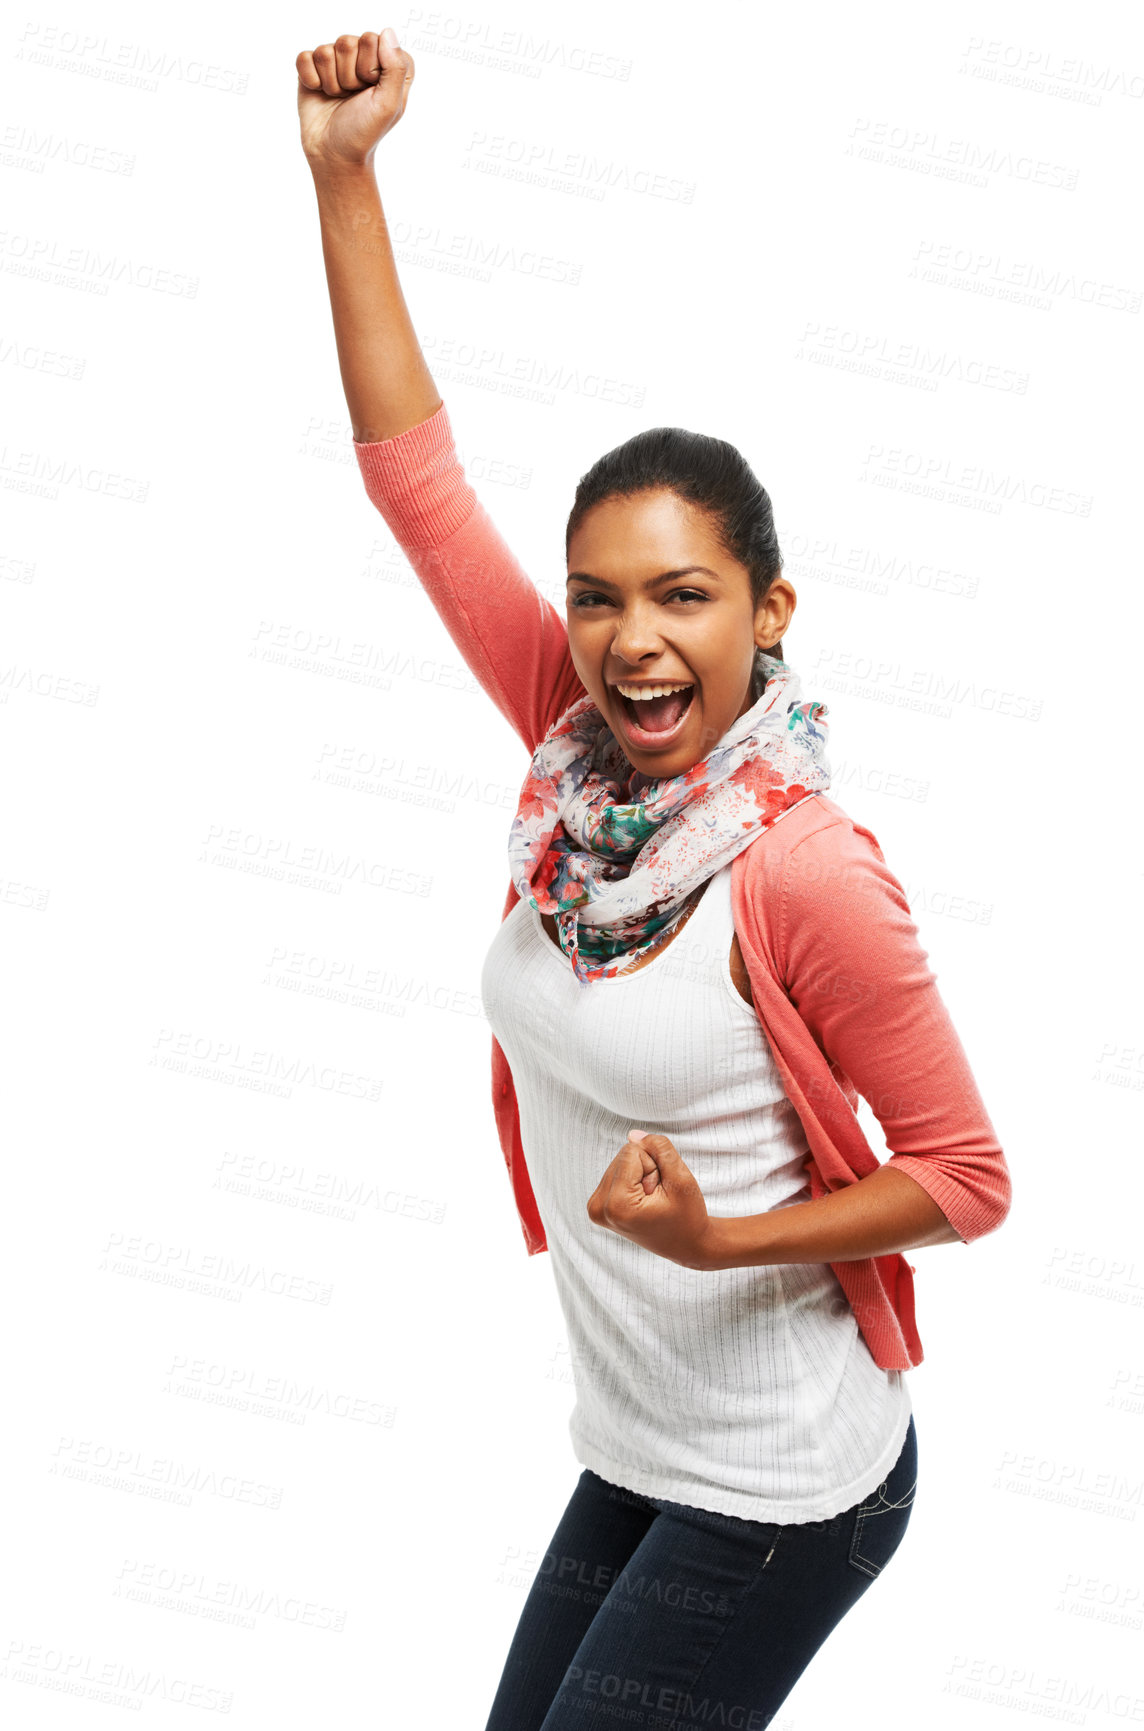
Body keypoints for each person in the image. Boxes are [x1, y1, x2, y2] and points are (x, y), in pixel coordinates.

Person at [296, 27, 1012, 1729]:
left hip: (786, 1486)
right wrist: (345, 178)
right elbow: (416, 486)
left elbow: (971, 1179)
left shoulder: (806, 868)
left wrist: (719, 1243)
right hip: (634, 1444)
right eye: (599, 597)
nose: (630, 640)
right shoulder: (573, 755)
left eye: (684, 595)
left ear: (770, 612)